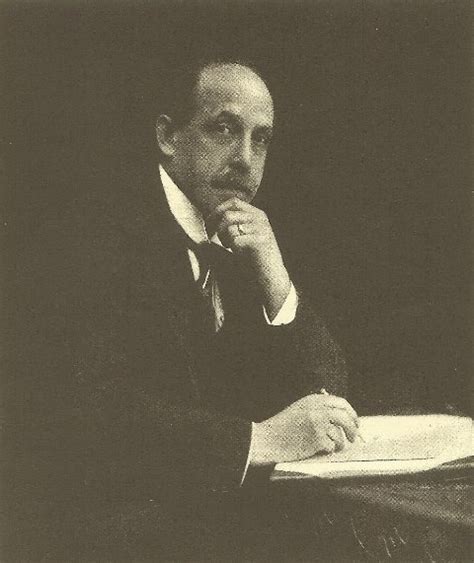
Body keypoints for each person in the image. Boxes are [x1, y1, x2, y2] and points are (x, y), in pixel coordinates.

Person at [5, 59, 358, 560]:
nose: (245, 159)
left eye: (261, 139)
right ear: (168, 137)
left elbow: (328, 393)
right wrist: (261, 440)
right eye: (224, 129)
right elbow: (85, 412)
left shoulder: (244, 236)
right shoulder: (95, 236)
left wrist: (275, 277)